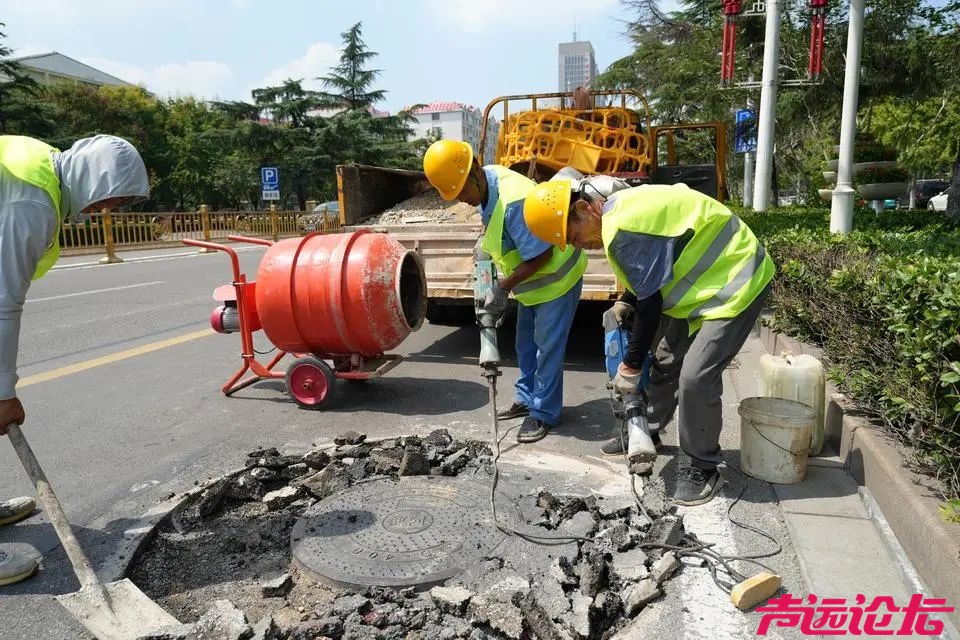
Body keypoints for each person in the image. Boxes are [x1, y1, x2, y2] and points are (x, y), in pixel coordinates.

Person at [522, 180, 775, 506]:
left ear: (583, 208)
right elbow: (655, 264)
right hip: (706, 284)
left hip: (738, 280)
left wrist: (629, 365)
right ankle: (647, 430)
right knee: (667, 360)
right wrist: (628, 299)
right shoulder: (618, 213)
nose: (579, 245)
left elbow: (651, 304)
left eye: (574, 236)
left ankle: (702, 466)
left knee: (696, 377)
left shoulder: (621, 232)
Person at [0, 133, 150, 584]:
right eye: (111, 199)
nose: (109, 211)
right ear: (94, 179)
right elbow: (3, 300)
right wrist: (3, 392)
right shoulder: (32, 201)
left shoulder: (38, 165)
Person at [422, 140, 587, 443]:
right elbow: (504, 237)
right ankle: (526, 398)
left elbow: (543, 256)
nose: (463, 200)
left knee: (546, 349)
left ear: (474, 171)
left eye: (462, 192)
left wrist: (501, 288)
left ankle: (544, 413)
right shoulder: (490, 182)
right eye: (455, 196)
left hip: (556, 281)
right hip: (532, 287)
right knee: (525, 343)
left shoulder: (514, 203)